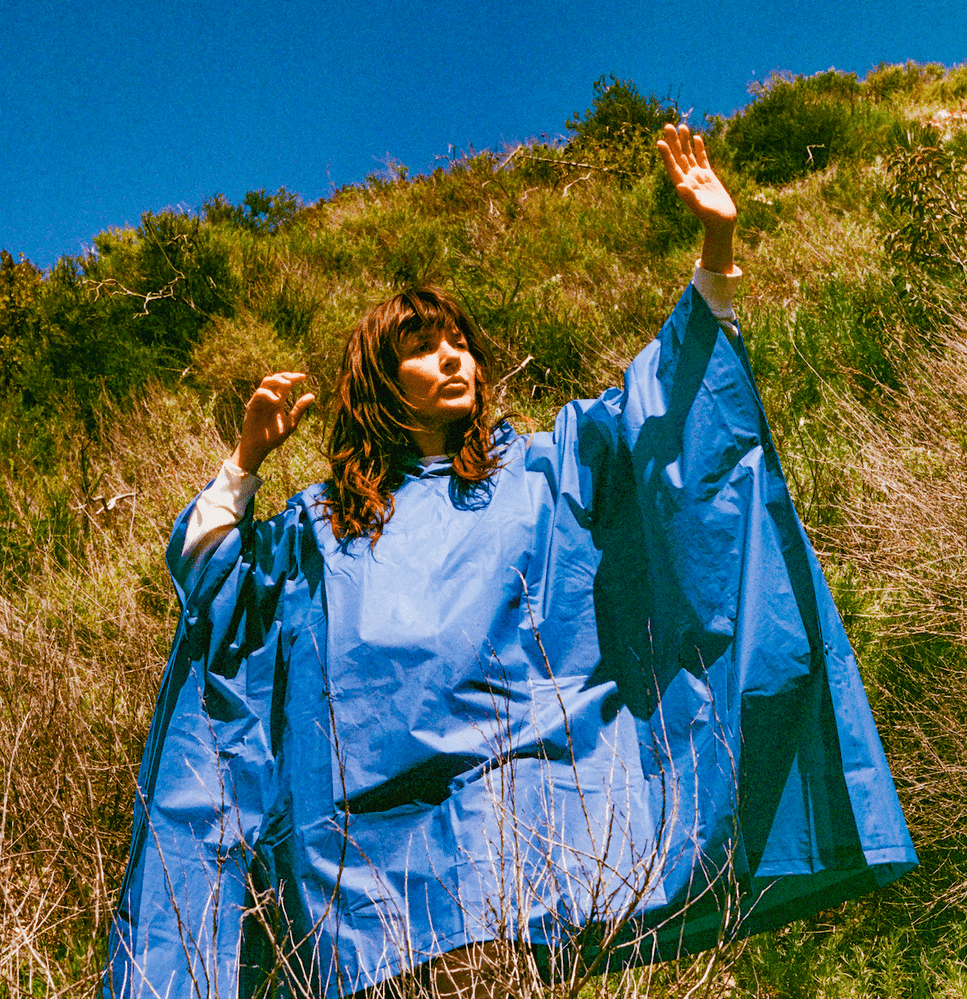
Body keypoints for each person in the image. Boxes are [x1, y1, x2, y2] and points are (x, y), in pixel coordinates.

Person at [105, 126, 916, 999]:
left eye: (459, 340)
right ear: (381, 379)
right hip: (364, 880)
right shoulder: (321, 528)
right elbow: (213, 595)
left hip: (514, 849)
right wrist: (244, 462)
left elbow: (663, 421)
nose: (451, 355)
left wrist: (715, 250)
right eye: (421, 345)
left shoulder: (540, 470)